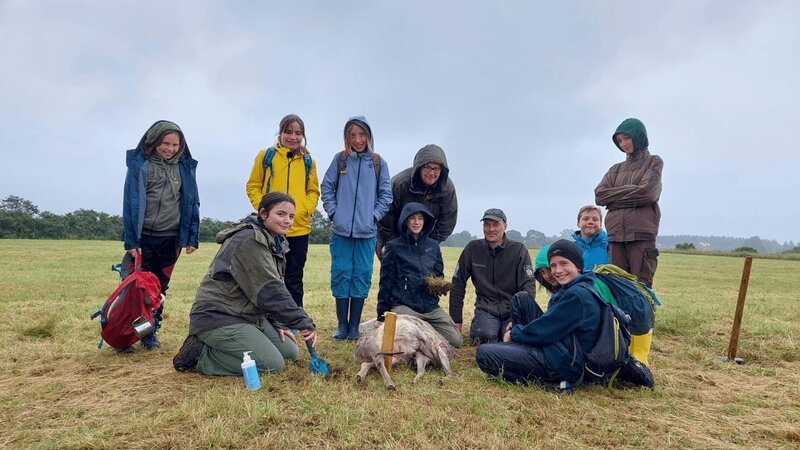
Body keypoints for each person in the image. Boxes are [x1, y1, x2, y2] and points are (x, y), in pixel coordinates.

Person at [174, 192, 318, 376]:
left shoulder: (274, 240)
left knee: (290, 352)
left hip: (245, 313)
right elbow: (269, 290)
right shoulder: (250, 240)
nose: (287, 221)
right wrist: (302, 321)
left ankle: (226, 346)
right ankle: (202, 355)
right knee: (272, 365)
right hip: (219, 315)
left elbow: (262, 286)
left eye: (291, 216)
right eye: (280, 214)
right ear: (263, 214)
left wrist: (275, 322)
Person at [122, 120, 199, 351]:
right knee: (135, 289)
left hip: (170, 239)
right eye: (165, 143)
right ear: (154, 142)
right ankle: (125, 336)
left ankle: (148, 334)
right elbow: (130, 203)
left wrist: (192, 236)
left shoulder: (184, 168)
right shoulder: (141, 166)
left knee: (158, 290)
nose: (170, 149)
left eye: (175, 145)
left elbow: (192, 201)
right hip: (143, 239)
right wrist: (131, 240)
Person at [320, 116, 392, 340]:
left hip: (366, 233)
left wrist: (373, 216)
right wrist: (334, 213)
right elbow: (327, 187)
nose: (357, 139)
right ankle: (342, 325)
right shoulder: (340, 160)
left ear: (369, 136)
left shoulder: (378, 163)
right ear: (346, 138)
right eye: (353, 135)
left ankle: (354, 328)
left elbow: (386, 195)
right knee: (341, 274)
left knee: (361, 275)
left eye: (362, 135)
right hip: (341, 232)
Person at [245, 114, 320, 308]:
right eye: (288, 132)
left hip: (299, 228)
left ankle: (294, 322)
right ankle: (267, 317)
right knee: (268, 276)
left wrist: (304, 210)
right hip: (269, 229)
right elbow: (253, 186)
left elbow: (313, 190)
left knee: (294, 278)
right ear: (280, 132)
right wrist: (264, 208)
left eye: (298, 133)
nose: (293, 137)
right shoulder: (265, 156)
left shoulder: (308, 161)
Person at [375, 202, 463, 348]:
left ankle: (424, 329)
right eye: (412, 218)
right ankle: (417, 332)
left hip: (430, 308)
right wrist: (381, 315)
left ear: (425, 221)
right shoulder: (394, 246)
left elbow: (438, 274)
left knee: (456, 341)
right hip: (405, 306)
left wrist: (439, 286)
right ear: (405, 220)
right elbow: (385, 283)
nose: (417, 222)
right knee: (404, 339)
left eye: (420, 218)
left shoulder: (433, 245)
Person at [449, 208, 536, 344]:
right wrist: (456, 320)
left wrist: (519, 316)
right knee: (484, 337)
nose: (491, 229)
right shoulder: (472, 248)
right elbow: (457, 284)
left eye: (496, 224)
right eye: (487, 224)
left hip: (512, 310)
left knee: (514, 338)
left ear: (505, 226)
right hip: (486, 309)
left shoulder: (518, 250)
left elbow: (528, 286)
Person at [595, 118, 663, 287]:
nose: (623, 143)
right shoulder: (615, 169)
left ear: (639, 136)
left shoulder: (654, 162)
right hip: (615, 237)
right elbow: (600, 196)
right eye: (619, 140)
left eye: (627, 138)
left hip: (641, 235)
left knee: (642, 288)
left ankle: (642, 315)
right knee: (617, 287)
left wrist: (613, 202)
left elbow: (648, 193)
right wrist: (632, 189)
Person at [377, 144, 457, 258]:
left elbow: (447, 222)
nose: (431, 173)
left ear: (442, 170)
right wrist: (393, 244)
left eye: (436, 169)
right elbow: (384, 219)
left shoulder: (447, 189)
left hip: (426, 238)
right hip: (393, 235)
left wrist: (428, 245)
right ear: (419, 167)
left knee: (426, 272)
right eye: (427, 167)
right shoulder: (398, 185)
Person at [571, 205, 609, 272]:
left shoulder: (610, 246)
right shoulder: (571, 249)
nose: (590, 222)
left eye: (595, 219)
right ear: (578, 223)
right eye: (586, 219)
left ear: (600, 224)